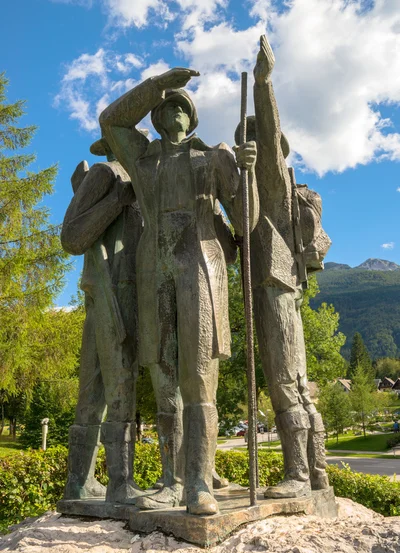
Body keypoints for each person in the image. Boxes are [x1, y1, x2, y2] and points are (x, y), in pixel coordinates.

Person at [99, 68, 258, 515]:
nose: (172, 110)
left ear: (192, 117)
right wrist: (157, 84)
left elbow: (245, 221)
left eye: (179, 105)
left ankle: (199, 485)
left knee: (198, 376)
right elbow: (110, 122)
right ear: (155, 117)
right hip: (154, 264)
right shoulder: (143, 158)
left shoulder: (214, 158)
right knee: (162, 372)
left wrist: (247, 174)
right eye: (164, 106)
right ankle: (171, 480)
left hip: (199, 261)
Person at [241, 35, 331, 498]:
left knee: (285, 381)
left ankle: (302, 473)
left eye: (255, 140)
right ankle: (314, 474)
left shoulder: (273, 185)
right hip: (264, 288)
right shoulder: (247, 193)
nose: (249, 148)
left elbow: (270, 135)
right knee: (289, 380)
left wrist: (262, 83)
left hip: (276, 286)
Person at [61, 135, 144, 504]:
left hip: (129, 288)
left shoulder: (141, 178)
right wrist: (115, 202)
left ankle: (82, 483)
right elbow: (72, 237)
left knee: (96, 390)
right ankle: (117, 483)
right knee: (114, 387)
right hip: (109, 288)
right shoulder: (105, 173)